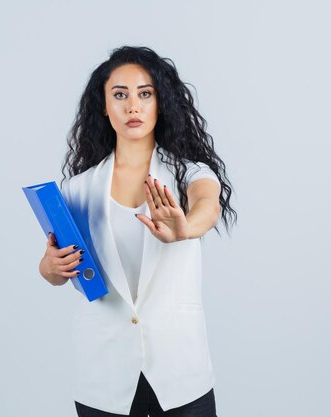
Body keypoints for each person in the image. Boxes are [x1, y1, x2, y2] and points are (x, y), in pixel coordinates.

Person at [38, 46, 237, 417]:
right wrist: (51, 266)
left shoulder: (187, 173)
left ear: (160, 103)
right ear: (103, 106)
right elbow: (53, 270)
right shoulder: (76, 190)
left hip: (180, 370)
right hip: (103, 371)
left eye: (145, 94)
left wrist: (185, 228)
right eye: (120, 95)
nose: (133, 106)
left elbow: (207, 205)